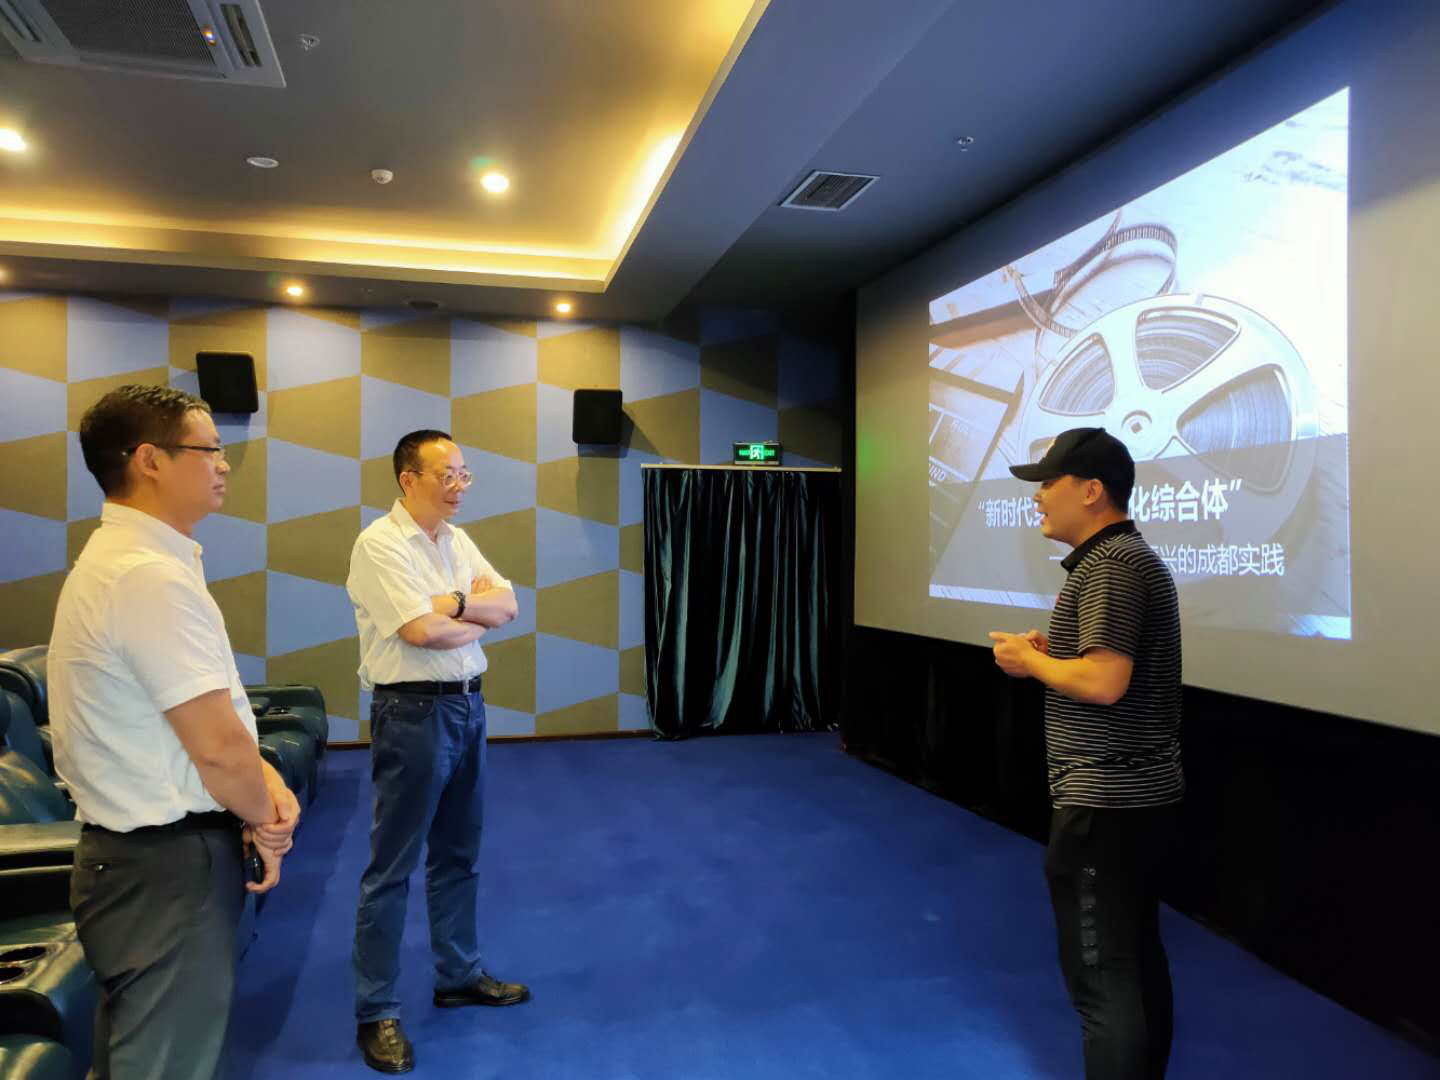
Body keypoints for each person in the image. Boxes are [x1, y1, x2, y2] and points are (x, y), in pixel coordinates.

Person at [49, 384, 300, 1080]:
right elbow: (216, 750)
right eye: (208, 449)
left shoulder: (139, 563)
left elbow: (218, 720)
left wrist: (266, 790)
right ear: (150, 460)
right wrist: (266, 817)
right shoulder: (143, 576)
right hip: (164, 867)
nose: (223, 463)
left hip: (150, 864)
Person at [988, 426, 1183, 1080]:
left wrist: (1030, 663)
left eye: (1049, 483)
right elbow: (1106, 668)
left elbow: (1104, 682)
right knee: (1134, 963)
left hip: (1105, 806)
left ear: (1093, 491)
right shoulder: (1123, 559)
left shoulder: (1111, 566)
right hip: (1137, 802)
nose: (1038, 497)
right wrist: (1054, 657)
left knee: (1102, 980)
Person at [346, 428, 526, 1074]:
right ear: (408, 479)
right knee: (392, 867)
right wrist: (468, 615)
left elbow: (508, 605)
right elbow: (420, 633)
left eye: (463, 475)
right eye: (447, 475)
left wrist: (456, 603)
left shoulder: (456, 541)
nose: (458, 487)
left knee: (458, 853)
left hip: (469, 707)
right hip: (411, 714)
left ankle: (458, 974)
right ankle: (376, 1010)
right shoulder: (379, 544)